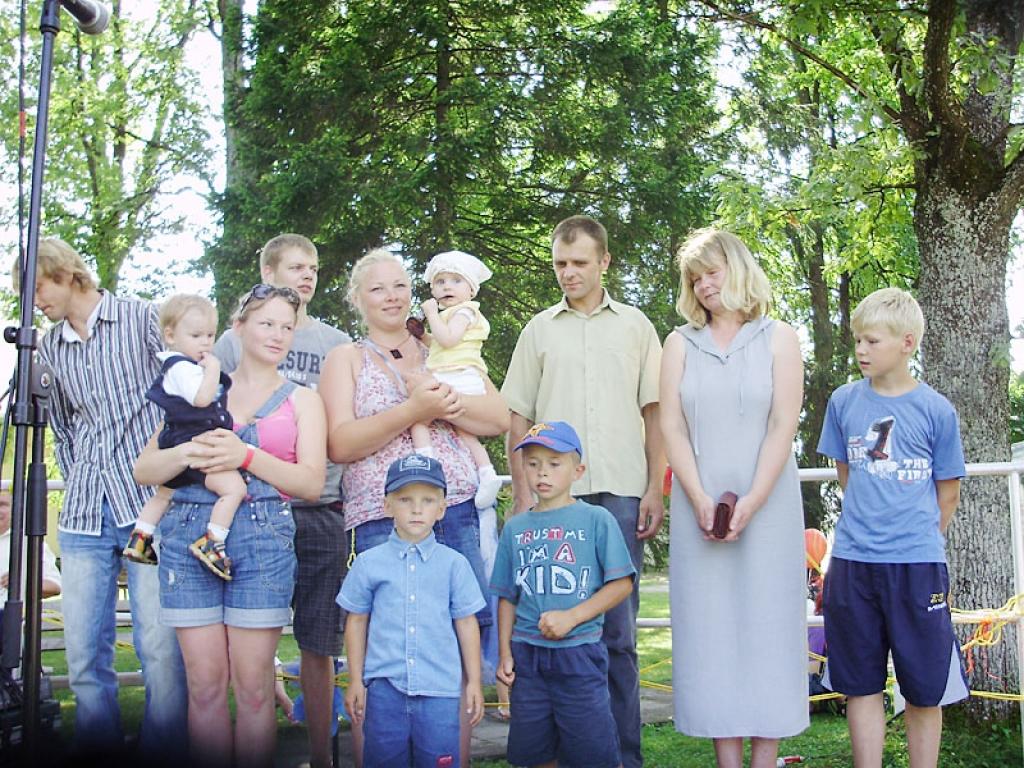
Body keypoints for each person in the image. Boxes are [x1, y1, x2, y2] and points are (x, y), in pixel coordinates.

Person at [320, 247, 509, 767]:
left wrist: (444, 405)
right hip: (384, 519)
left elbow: (497, 418)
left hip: (457, 510)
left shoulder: (445, 346)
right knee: (387, 648)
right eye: (378, 287)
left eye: (400, 284)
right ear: (357, 299)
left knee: (457, 641)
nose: (392, 296)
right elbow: (340, 442)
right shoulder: (346, 358)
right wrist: (413, 410)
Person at [133, 284, 326, 767]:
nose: (278, 334)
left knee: (255, 687)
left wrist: (245, 454)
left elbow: (310, 483)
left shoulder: (303, 400)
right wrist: (185, 453)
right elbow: (145, 470)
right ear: (238, 328)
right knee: (203, 684)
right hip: (186, 531)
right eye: (266, 323)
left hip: (264, 537)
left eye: (287, 326)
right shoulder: (195, 386)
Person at [501, 215, 663, 768]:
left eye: (579, 263)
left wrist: (655, 488)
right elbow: (518, 417)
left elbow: (655, 413)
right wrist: (523, 495)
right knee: (548, 628)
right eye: (560, 264)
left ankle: (622, 758)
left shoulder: (638, 326)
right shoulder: (538, 331)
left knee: (615, 636)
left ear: (604, 262)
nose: (568, 273)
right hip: (550, 501)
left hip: (620, 492)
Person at [15, 237, 187, 757]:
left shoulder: (141, 319)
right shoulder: (46, 346)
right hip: (85, 513)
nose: (33, 301)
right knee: (85, 653)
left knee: (158, 646)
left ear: (64, 273)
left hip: (149, 510)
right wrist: (79, 472)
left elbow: (184, 394)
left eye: (36, 287)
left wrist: (170, 479)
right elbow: (64, 427)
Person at [661, 228, 808, 766]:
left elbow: (782, 424)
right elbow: (672, 427)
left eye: (712, 273)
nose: (703, 286)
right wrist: (698, 496)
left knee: (769, 627)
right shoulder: (679, 343)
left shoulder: (780, 339)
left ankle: (766, 760)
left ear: (739, 269)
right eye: (694, 278)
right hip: (699, 509)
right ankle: (726, 759)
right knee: (711, 631)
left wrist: (752, 498)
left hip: (767, 506)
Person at [213, 233, 351, 768]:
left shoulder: (338, 343)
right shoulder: (231, 345)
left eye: (313, 266)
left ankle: (322, 755)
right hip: (246, 511)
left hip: (318, 509)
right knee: (249, 649)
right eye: (296, 266)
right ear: (268, 272)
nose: (307, 275)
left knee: (320, 642)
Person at [817, 287, 968, 768]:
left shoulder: (936, 410)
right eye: (858, 340)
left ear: (907, 343)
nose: (861, 350)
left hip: (917, 566)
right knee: (860, 683)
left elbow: (948, 492)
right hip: (853, 566)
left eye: (873, 341)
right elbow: (848, 476)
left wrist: (916, 538)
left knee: (924, 687)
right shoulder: (842, 403)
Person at [491, 421, 635, 768]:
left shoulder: (596, 519)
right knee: (534, 750)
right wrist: (505, 654)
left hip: (579, 655)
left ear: (577, 470)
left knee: (591, 751)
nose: (542, 472)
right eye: (533, 463)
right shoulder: (515, 528)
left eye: (554, 463)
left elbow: (621, 584)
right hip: (528, 657)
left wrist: (573, 616)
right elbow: (508, 596)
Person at [339, 454, 485, 767]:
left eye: (428, 500)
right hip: (384, 690)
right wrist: (354, 679)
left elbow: (467, 623)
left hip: (440, 693)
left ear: (442, 508)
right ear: (387, 505)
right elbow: (356, 620)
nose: (417, 509)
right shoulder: (368, 563)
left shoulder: (454, 565)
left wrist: (473, 680)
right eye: (405, 499)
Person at [123, 295, 242, 580]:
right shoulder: (182, 368)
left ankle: (141, 536)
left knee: (164, 492)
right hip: (195, 440)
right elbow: (201, 399)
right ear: (170, 335)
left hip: (176, 437)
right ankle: (213, 541)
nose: (205, 343)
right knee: (233, 488)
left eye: (210, 335)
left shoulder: (175, 366)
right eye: (196, 335)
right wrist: (213, 370)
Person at [408, 249, 502, 510]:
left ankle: (426, 467)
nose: (447, 286)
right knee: (465, 431)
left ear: (471, 290)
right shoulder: (452, 315)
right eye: (440, 282)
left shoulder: (465, 312)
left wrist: (431, 313)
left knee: (418, 419)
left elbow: (449, 338)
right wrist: (422, 335)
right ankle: (487, 472)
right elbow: (440, 344)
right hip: (453, 371)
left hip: (459, 374)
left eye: (456, 280)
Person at [0, 491, 61, 603]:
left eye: (2, 505)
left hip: (9, 617)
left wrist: (23, 582)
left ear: (15, 510)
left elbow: (55, 586)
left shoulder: (29, 543)